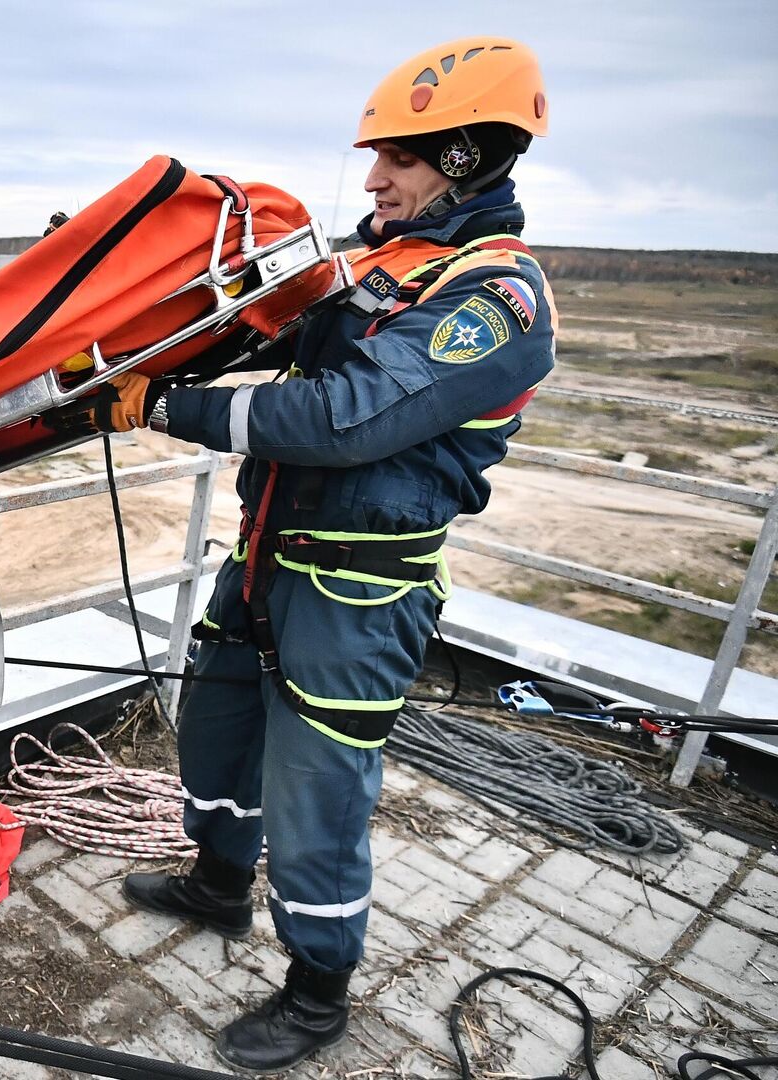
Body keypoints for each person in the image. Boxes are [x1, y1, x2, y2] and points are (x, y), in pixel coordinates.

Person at [71, 38, 555, 1071]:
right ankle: (215, 882)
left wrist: (164, 407)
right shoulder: (375, 267)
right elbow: (253, 333)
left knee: (318, 792)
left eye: (402, 159)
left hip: (359, 591)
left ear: (467, 159)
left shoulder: (496, 299)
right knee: (215, 732)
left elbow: (346, 419)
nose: (374, 176)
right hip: (266, 559)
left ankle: (318, 985)